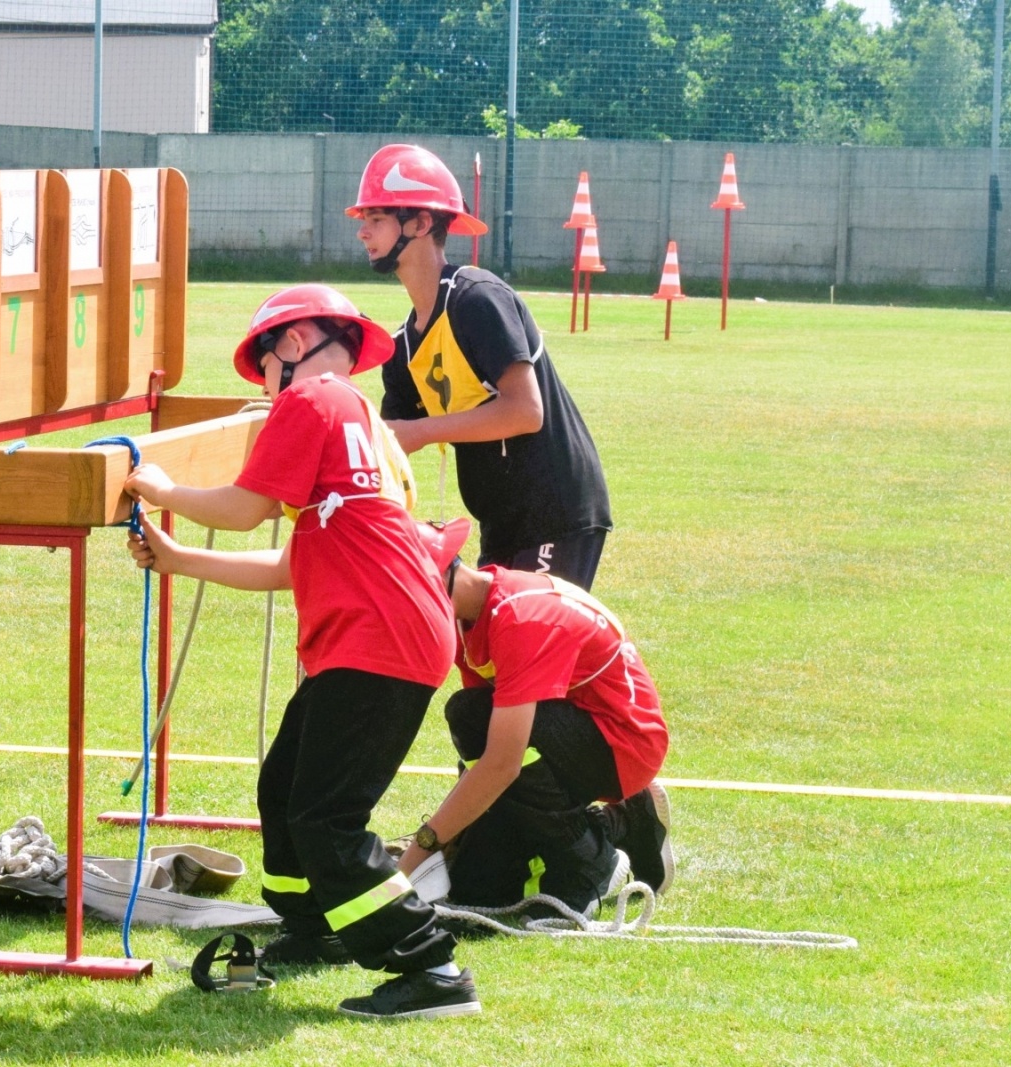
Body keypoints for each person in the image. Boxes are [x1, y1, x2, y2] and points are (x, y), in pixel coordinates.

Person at [123, 284, 479, 1021]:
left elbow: (246, 508)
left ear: (290, 346)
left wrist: (163, 487)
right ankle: (317, 928)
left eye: (263, 372)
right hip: (381, 635)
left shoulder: (314, 399)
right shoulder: (358, 422)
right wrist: (178, 557)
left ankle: (430, 966)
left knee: (327, 817)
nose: (265, 391)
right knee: (285, 789)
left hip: (379, 638)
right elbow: (293, 565)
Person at [350, 143, 612, 590]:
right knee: (491, 654)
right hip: (502, 521)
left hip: (556, 512)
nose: (363, 232)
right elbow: (392, 444)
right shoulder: (402, 348)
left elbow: (525, 412)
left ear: (421, 222)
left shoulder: (477, 298)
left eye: (376, 219)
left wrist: (423, 431)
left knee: (529, 651)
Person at [396, 519, 674, 918]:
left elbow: (502, 763)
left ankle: (594, 859)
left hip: (623, 744)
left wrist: (420, 849)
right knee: (480, 888)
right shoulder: (468, 620)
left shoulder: (522, 619)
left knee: (470, 714)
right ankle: (624, 825)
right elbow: (488, 749)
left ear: (434, 582)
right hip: (575, 733)